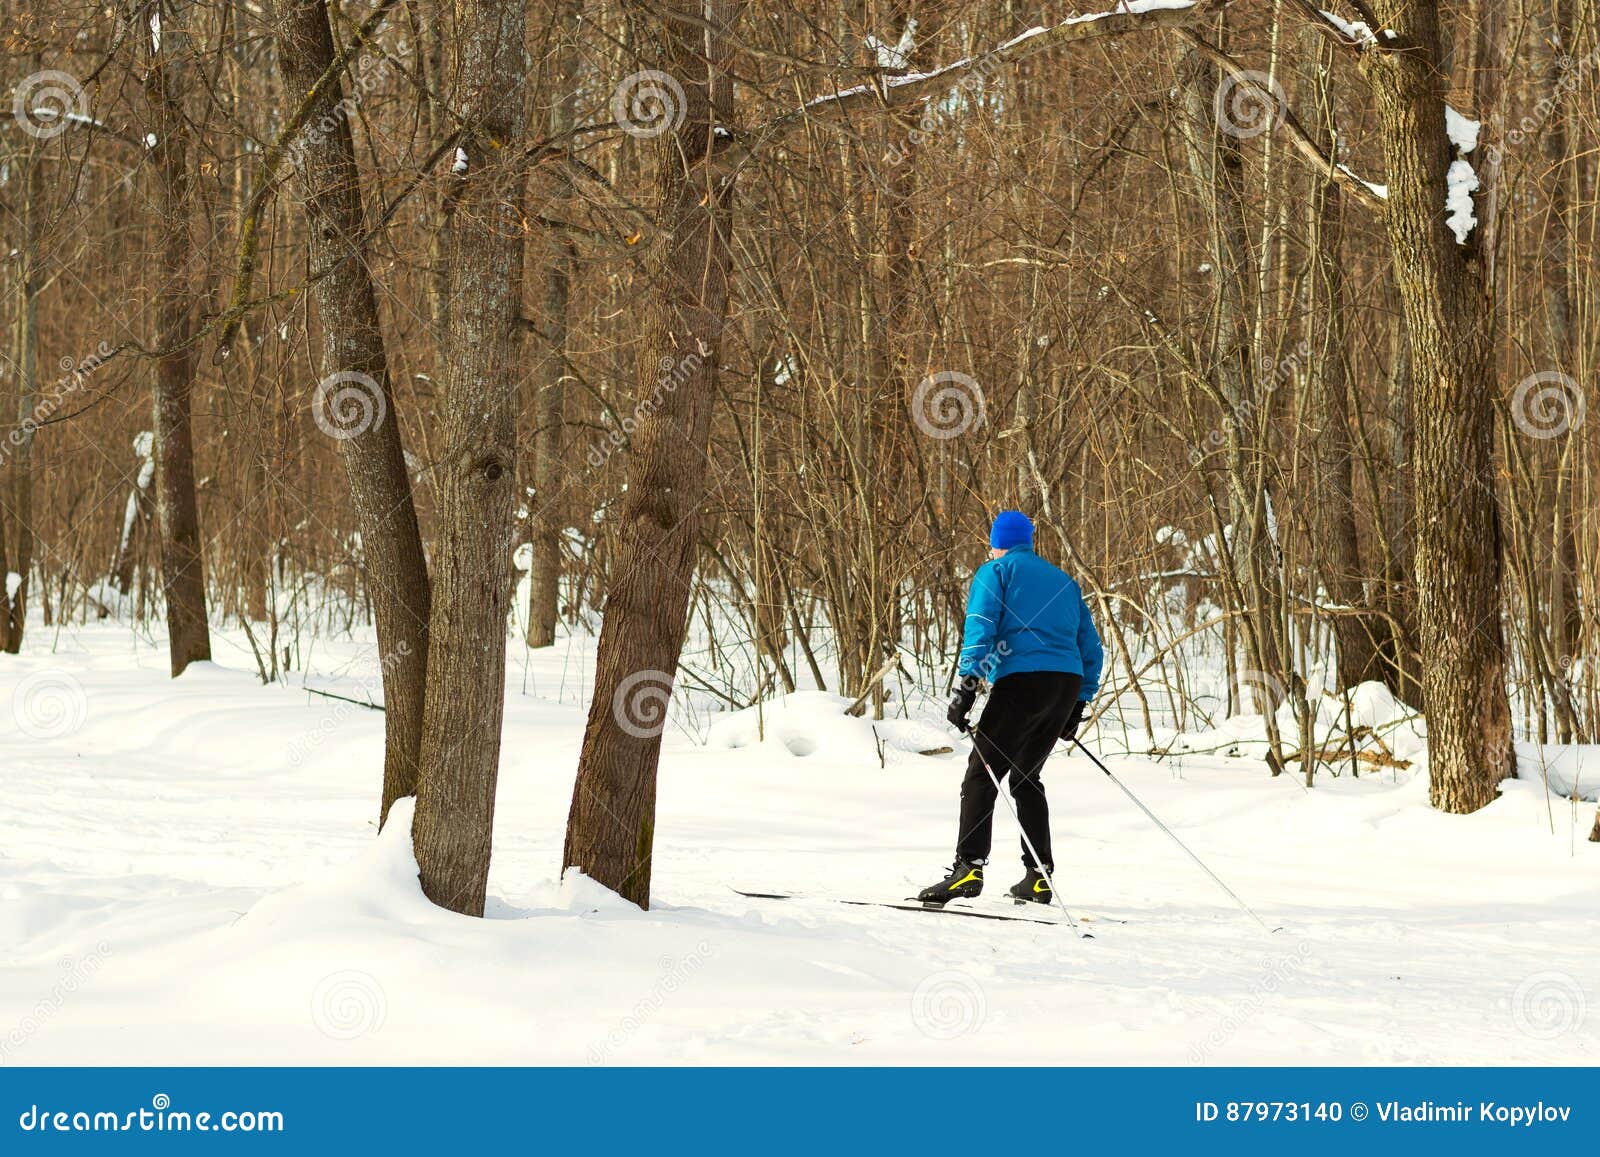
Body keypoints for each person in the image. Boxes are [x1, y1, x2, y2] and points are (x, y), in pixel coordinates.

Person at [917, 510, 1103, 906]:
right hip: (1064, 684)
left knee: (981, 775)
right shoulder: (1064, 581)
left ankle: (968, 869)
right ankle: (1038, 877)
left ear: (996, 542)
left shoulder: (995, 571)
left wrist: (967, 686)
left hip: (1023, 681)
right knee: (1024, 778)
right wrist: (1078, 702)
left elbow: (981, 625)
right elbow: (1091, 647)